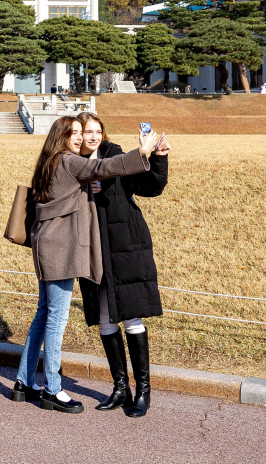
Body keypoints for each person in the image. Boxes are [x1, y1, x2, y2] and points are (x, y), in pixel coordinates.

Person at [12, 116, 160, 413]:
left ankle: (23, 382)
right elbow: (103, 168)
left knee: (43, 315)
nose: (81, 139)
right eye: (75, 133)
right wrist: (142, 152)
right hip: (61, 251)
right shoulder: (69, 161)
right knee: (55, 320)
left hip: (47, 246)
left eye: (85, 133)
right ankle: (52, 390)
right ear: (61, 136)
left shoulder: (49, 160)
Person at [74, 111, 170, 418]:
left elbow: (150, 187)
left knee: (131, 318)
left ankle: (143, 391)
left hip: (124, 244)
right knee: (104, 320)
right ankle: (119, 388)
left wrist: (159, 158)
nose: (92, 136)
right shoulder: (70, 162)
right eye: (87, 131)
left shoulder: (115, 155)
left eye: (97, 131)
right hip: (92, 249)